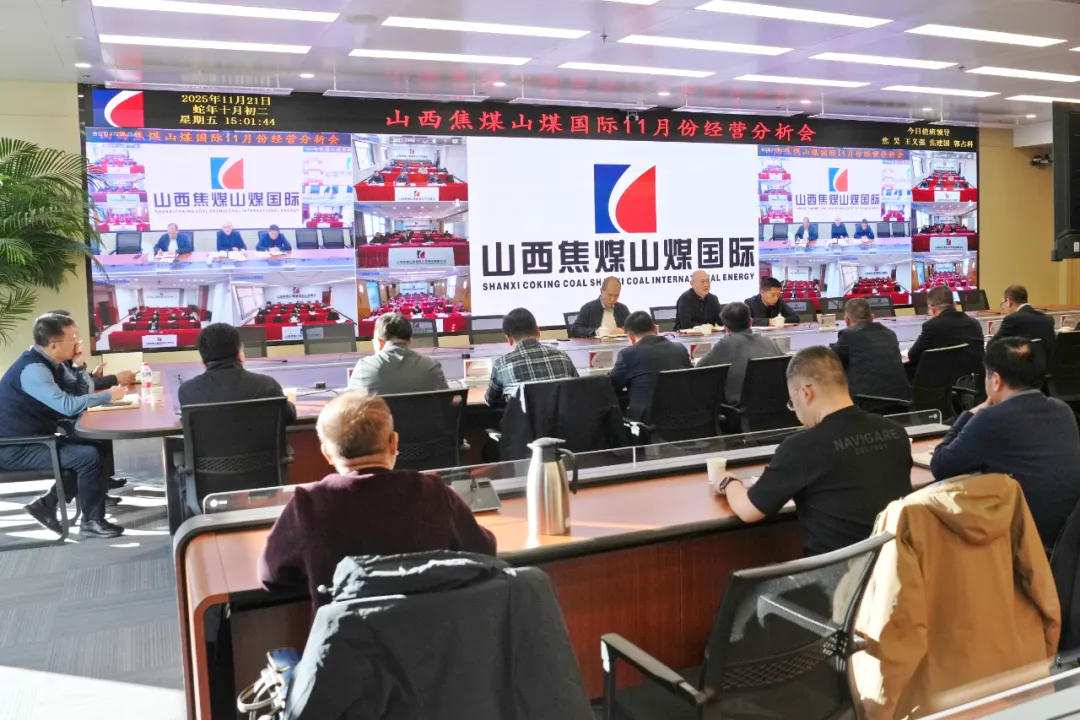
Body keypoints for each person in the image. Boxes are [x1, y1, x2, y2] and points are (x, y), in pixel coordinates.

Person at [258, 392, 496, 612]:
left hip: (346, 644)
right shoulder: (435, 493)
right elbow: (484, 551)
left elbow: (271, 577)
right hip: (431, 642)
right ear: (394, 443)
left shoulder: (307, 505)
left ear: (327, 454)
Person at [720, 346, 913, 556]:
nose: (795, 411)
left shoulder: (801, 447)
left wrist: (728, 482)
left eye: (792, 403)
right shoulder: (896, 432)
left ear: (806, 393)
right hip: (896, 568)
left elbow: (748, 511)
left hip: (837, 573)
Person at [930, 337, 1080, 548]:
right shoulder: (1062, 410)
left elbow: (940, 465)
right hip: (1067, 541)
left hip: (1025, 543)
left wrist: (971, 413)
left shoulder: (991, 418)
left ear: (996, 380)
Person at [0, 314, 127, 538]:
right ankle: (91, 522)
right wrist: (108, 395)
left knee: (96, 445)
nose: (77, 342)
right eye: (72, 338)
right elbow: (68, 406)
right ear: (54, 345)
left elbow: (79, 393)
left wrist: (79, 366)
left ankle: (46, 505)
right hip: (14, 448)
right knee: (87, 457)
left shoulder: (52, 363)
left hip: (36, 439)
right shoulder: (34, 370)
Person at [178, 323, 297, 425]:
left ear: (203, 361)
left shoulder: (188, 391)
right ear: (239, 353)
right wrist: (289, 401)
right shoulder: (267, 385)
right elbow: (289, 418)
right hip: (259, 446)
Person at [607, 311, 691, 421]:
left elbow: (610, 385)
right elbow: (692, 380)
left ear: (630, 337)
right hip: (683, 417)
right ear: (656, 329)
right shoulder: (680, 349)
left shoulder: (628, 354)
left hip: (646, 422)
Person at [484, 308, 578, 407]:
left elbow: (491, 401)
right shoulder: (563, 357)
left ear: (509, 339)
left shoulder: (502, 365)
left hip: (522, 417)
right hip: (561, 416)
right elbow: (577, 391)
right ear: (538, 331)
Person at [698, 301, 784, 405]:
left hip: (742, 409)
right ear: (751, 321)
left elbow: (699, 369)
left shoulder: (725, 344)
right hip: (777, 405)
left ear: (726, 328)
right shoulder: (769, 342)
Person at [831, 298, 910, 407]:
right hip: (901, 401)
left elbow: (831, 360)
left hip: (867, 402)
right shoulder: (890, 334)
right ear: (872, 317)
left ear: (847, 320)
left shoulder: (848, 335)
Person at [348, 313, 448, 395]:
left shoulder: (364, 368)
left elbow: (349, 407)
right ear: (410, 341)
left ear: (379, 342)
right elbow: (448, 402)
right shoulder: (431, 367)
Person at [906, 285, 985, 375]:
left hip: (944, 380)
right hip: (973, 380)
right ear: (955, 305)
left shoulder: (932, 326)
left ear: (932, 309)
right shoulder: (974, 323)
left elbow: (913, 356)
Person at [992, 284, 1056, 359]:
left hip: (1022, 365)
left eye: (1003, 304)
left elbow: (992, 346)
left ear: (1009, 301)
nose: (1004, 308)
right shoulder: (1047, 319)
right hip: (1044, 364)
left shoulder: (1012, 319)